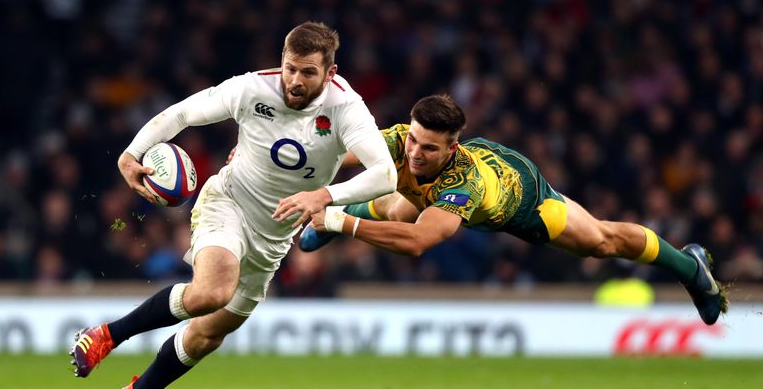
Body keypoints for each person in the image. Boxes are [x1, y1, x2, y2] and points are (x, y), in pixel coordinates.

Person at [69, 22, 397, 389]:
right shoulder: (252, 88)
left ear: (330, 72)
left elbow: (385, 175)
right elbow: (181, 113)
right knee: (212, 291)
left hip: (273, 237)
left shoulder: (345, 108)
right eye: (291, 68)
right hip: (229, 202)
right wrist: (131, 154)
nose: (295, 81)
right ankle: (106, 335)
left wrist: (325, 195)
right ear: (282, 61)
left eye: (308, 72)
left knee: (206, 336)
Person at [301, 94, 728, 325]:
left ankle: (690, 268)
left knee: (601, 242)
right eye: (413, 139)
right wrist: (263, 159)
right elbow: (331, 153)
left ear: (452, 147)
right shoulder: (401, 140)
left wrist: (338, 216)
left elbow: (418, 243)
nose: (414, 151)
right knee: (398, 207)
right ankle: (338, 220)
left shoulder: (463, 184)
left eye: (428, 147)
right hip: (466, 177)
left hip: (522, 198)